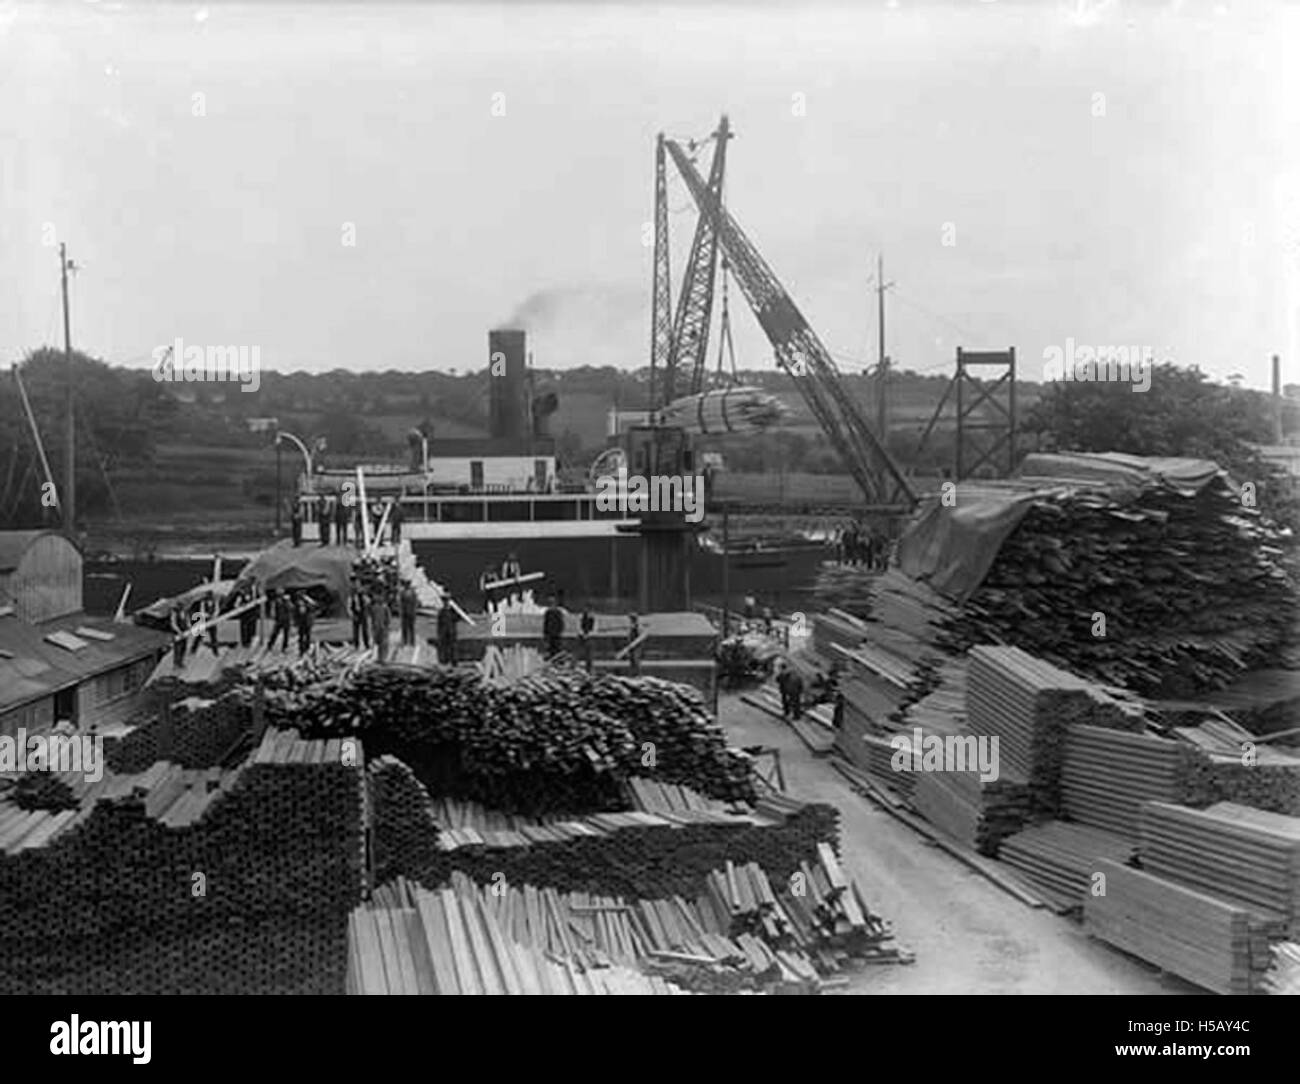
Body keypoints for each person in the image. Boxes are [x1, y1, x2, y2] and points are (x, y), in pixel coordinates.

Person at [436, 598, 459, 665]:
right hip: (444, 631)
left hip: (451, 631)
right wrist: (439, 633)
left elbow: (457, 618)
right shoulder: (441, 611)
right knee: (444, 646)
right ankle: (444, 660)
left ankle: (454, 660)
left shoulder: (452, 611)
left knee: (453, 646)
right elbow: (439, 623)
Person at [370, 593, 392, 663]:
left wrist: (387, 625)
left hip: (383, 627)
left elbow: (388, 617)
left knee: (383, 643)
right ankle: (377, 657)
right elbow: (373, 617)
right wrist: (373, 626)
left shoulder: (385, 607)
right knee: (377, 642)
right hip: (377, 627)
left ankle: (383, 658)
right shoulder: (374, 608)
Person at [542, 594, 565, 658]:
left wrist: (559, 631)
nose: (551, 604)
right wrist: (545, 633)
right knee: (550, 648)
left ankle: (557, 660)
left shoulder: (557, 612)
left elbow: (561, 623)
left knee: (556, 648)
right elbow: (546, 623)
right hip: (550, 634)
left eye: (552, 602)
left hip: (556, 634)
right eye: (550, 603)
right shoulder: (548, 612)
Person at [350, 584, 371, 649]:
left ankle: (366, 644)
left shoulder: (363, 596)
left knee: (365, 629)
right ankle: (356, 645)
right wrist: (352, 615)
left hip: (363, 613)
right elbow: (350, 606)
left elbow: (368, 602)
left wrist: (365, 599)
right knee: (356, 630)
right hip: (356, 613)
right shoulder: (352, 597)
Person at [169, 602, 189, 668]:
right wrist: (179, 632)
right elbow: (173, 624)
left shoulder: (185, 612)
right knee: (177, 648)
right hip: (177, 633)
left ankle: (180, 662)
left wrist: (189, 626)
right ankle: (175, 663)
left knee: (184, 647)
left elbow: (187, 620)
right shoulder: (174, 613)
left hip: (184, 631)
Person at [399, 582, 418, 647]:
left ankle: (412, 641)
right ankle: (405, 641)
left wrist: (414, 611)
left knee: (411, 627)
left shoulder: (412, 593)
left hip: (411, 612)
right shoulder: (402, 593)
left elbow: (415, 603)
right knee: (405, 628)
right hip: (405, 612)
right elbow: (401, 603)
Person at [577, 607, 595, 672]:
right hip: (581, 636)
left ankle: (589, 668)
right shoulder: (581, 618)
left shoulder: (592, 618)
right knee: (577, 653)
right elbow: (578, 627)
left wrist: (588, 635)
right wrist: (582, 634)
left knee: (589, 655)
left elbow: (594, 628)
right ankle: (575, 666)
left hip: (589, 637)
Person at [625, 612, 643, 677]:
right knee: (632, 660)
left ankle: (638, 675)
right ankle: (633, 675)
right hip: (631, 646)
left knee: (636, 660)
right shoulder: (632, 626)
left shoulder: (637, 627)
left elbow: (639, 637)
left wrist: (634, 644)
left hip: (636, 646)